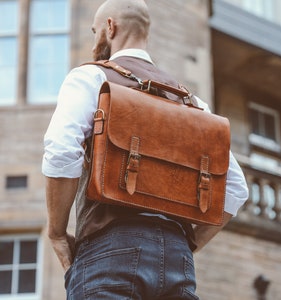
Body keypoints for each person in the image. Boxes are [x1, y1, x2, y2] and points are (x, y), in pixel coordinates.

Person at [42, 0, 249, 299]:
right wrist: (186, 246)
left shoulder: (91, 76)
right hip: (178, 262)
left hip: (109, 250)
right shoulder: (194, 104)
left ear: (110, 27)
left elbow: (62, 149)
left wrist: (57, 233)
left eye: (95, 30)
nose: (94, 39)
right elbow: (236, 188)